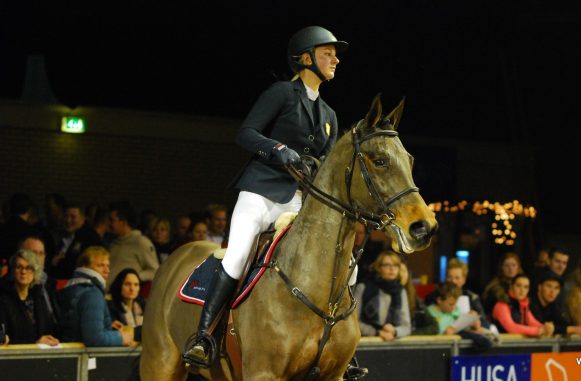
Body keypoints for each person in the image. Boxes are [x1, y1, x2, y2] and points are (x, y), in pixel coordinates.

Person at [183, 25, 347, 367]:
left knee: (327, 264)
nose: (335, 58)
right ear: (305, 59)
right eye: (327, 52)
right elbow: (246, 133)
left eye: (335, 53)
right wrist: (277, 148)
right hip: (260, 191)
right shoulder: (281, 94)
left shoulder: (329, 116)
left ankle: (337, 347)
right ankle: (203, 336)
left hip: (298, 201)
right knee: (239, 253)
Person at [58, 246, 133, 346]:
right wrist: (120, 338)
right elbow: (95, 339)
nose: (107, 270)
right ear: (85, 266)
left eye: (108, 265)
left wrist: (105, 325)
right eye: (101, 265)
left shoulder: (73, 287)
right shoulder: (92, 294)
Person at [0, 249, 60, 345]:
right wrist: (35, 343)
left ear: (35, 272)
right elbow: (4, 339)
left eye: (29, 268)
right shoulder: (3, 301)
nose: (23, 271)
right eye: (19, 267)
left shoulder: (39, 297)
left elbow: (48, 329)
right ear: (12, 270)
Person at [355, 251, 411, 341]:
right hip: (366, 342)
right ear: (379, 267)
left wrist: (394, 331)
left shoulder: (401, 291)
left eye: (395, 265)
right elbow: (354, 322)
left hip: (392, 344)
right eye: (387, 265)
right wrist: (377, 332)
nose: (392, 269)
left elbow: (406, 327)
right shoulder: (363, 287)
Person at [107, 201, 159, 289]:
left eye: (112, 220)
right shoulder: (113, 243)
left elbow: (155, 270)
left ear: (123, 222)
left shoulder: (141, 242)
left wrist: (133, 277)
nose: (109, 224)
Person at [529, 271, 581, 337]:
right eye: (549, 286)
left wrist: (578, 329)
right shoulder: (530, 303)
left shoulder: (552, 305)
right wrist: (572, 329)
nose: (552, 291)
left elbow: (562, 323)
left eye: (556, 288)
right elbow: (541, 327)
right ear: (539, 287)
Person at [51, 203, 104, 279]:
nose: (68, 220)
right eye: (66, 216)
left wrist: (60, 262)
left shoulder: (90, 238)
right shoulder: (64, 235)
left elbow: (83, 265)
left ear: (83, 218)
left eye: (73, 217)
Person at [107, 268, 144, 342]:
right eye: (127, 284)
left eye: (136, 285)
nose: (132, 288)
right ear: (119, 285)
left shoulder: (144, 306)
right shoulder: (110, 307)